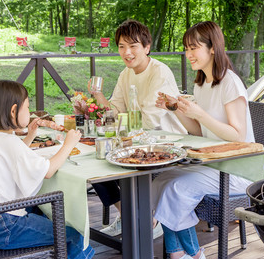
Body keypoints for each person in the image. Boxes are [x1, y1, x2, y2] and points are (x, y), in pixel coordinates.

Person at [153, 21, 255, 259]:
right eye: (186, 49)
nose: (188, 54)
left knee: (176, 188)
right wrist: (176, 108)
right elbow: (200, 132)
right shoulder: (201, 84)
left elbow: (238, 136)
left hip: (238, 169)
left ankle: (193, 254)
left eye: (193, 48)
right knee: (158, 182)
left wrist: (200, 114)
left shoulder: (230, 82)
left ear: (212, 48)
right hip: (213, 163)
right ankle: (178, 253)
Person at [0, 80, 94, 259]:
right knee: (75, 237)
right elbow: (47, 171)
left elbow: (13, 156)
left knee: (40, 209)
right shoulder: (9, 142)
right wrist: (69, 144)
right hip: (5, 225)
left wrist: (30, 136)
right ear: (13, 111)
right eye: (28, 108)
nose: (30, 113)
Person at [88, 19, 185, 237]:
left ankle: (150, 219)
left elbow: (149, 120)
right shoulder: (126, 73)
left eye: (133, 46)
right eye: (122, 46)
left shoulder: (159, 72)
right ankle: (130, 216)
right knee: (96, 164)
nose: (127, 52)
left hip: (165, 142)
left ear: (147, 47)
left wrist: (119, 125)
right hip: (137, 139)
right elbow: (114, 111)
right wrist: (97, 97)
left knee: (114, 158)